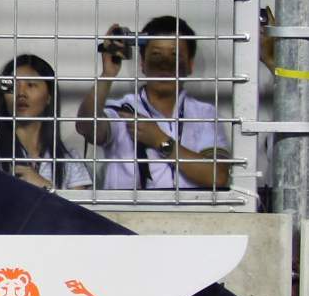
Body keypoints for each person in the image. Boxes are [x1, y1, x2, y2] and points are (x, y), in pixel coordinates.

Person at [75, 14, 232, 191]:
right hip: (126, 215)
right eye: (156, 55)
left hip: (192, 216)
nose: (164, 65)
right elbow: (86, 126)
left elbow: (218, 176)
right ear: (143, 63)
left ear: (190, 65)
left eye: (175, 56)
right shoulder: (122, 110)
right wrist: (108, 74)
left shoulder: (205, 114)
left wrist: (160, 141)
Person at [0, 53, 90, 189]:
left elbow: (78, 210)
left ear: (49, 97)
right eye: (13, 85)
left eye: (31, 85)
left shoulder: (69, 160)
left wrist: (46, 188)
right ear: (3, 95)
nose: (21, 93)